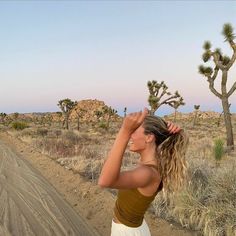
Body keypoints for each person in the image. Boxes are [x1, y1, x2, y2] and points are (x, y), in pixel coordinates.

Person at [98, 108, 189, 236]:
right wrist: (166, 130)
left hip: (127, 232)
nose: (131, 135)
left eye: (134, 131)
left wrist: (124, 131)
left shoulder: (147, 173)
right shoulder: (153, 164)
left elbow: (104, 181)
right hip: (131, 229)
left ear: (149, 137)